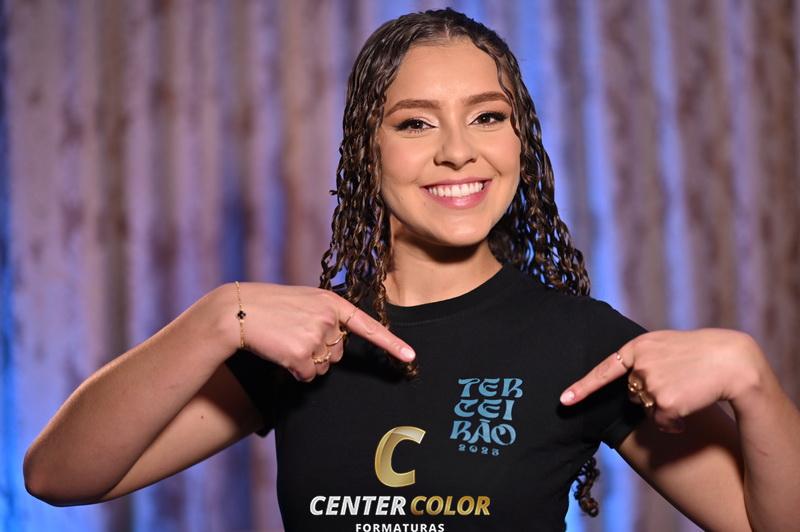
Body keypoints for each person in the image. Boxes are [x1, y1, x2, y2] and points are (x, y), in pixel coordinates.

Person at [22, 8, 800, 531]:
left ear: (520, 142)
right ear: (368, 153)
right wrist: (217, 317)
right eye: (416, 123)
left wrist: (754, 383)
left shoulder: (584, 344)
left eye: (487, 116)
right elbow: (58, 477)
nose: (458, 151)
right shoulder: (302, 342)